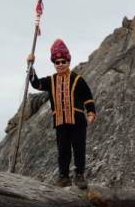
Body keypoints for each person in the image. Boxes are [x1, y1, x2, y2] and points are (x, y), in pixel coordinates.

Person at [27, 39, 96, 188]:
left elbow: (88, 97)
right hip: (60, 121)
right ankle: (64, 177)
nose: (60, 64)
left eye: (63, 61)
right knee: (63, 150)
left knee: (79, 149)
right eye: (57, 62)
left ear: (68, 61)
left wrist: (90, 112)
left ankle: (80, 176)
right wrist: (30, 67)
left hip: (77, 121)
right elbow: (36, 83)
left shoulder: (77, 79)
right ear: (54, 63)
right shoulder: (51, 80)